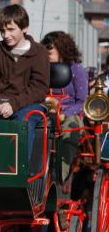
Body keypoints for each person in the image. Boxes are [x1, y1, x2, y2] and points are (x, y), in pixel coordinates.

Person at [0, 4, 50, 161]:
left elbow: (39, 88)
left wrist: (13, 105)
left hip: (30, 103)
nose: (5, 35)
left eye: (11, 30)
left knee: (23, 122)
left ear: (24, 28)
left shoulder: (39, 52)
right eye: (2, 31)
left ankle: (19, 171)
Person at [41, 31, 88, 185]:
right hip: (44, 112)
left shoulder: (76, 69)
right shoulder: (41, 69)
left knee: (69, 132)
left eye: (50, 50)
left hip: (70, 115)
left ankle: (61, 179)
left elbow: (82, 102)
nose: (47, 53)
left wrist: (63, 112)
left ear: (62, 48)